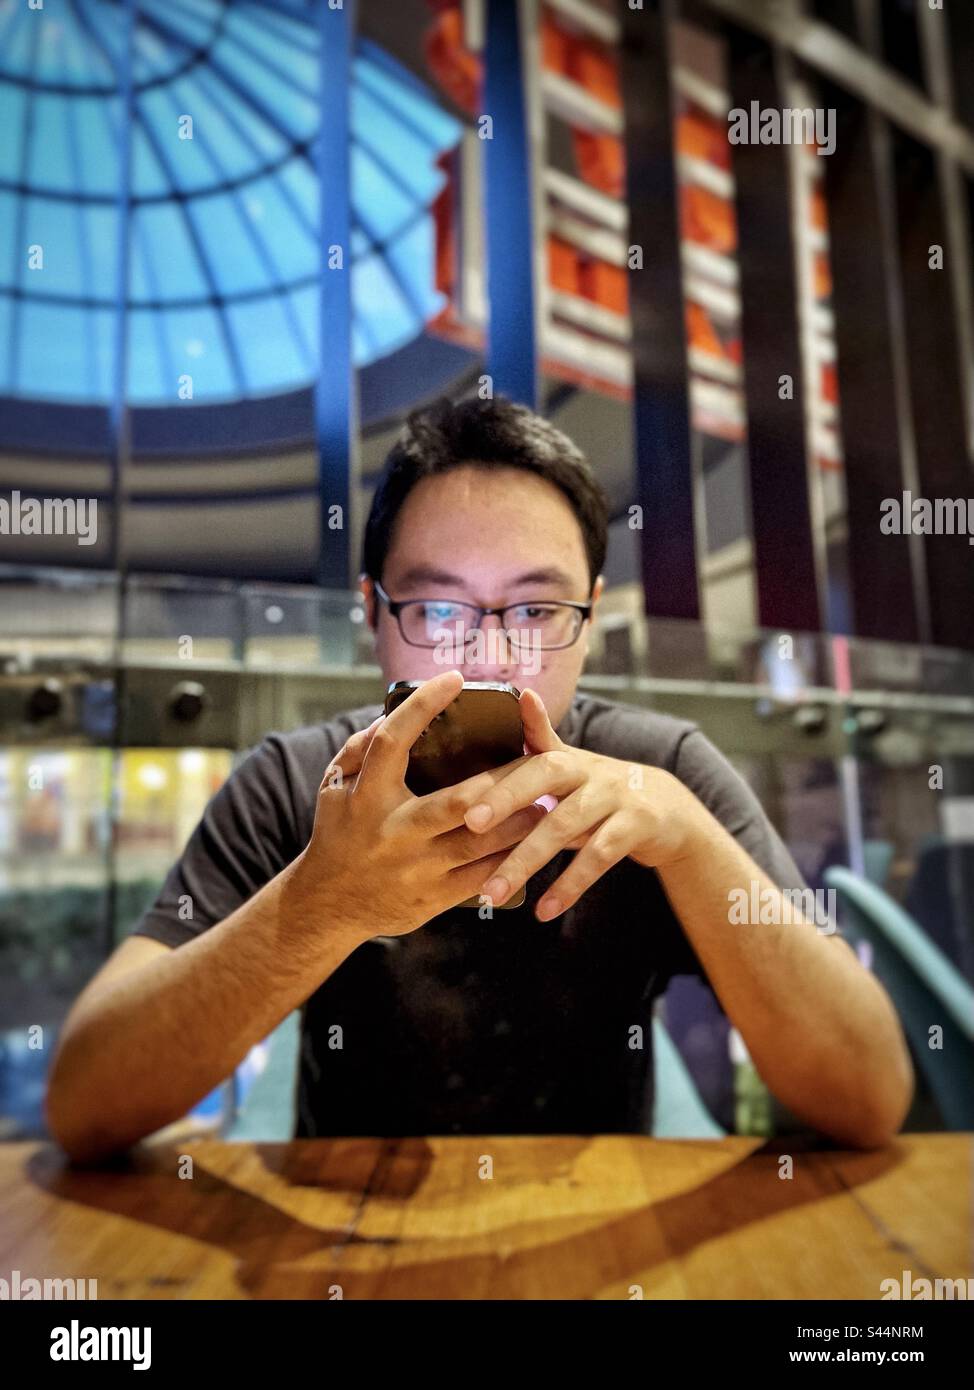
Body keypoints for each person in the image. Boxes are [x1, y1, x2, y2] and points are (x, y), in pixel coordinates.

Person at [46, 396, 914, 1160]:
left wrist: (688, 843)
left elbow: (869, 1098)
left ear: (591, 618)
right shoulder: (297, 782)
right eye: (437, 610)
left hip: (598, 1248)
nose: (489, 657)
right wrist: (322, 907)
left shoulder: (660, 776)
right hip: (337, 1251)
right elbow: (86, 1107)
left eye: (536, 610)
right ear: (373, 614)